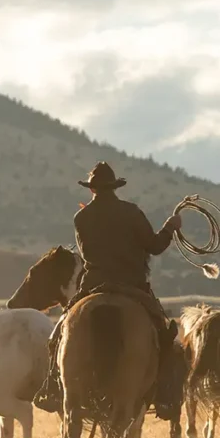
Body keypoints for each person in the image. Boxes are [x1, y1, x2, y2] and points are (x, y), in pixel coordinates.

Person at [34, 161, 183, 420]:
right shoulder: (131, 212)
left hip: (93, 284)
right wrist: (171, 227)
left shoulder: (80, 218)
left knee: (59, 334)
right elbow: (155, 246)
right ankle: (164, 395)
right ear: (114, 187)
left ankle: (52, 387)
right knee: (166, 335)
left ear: (92, 190)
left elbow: (86, 254)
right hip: (132, 285)